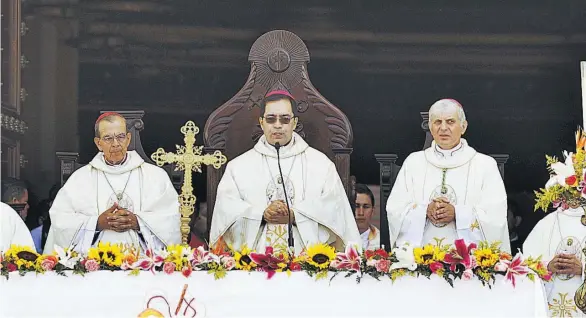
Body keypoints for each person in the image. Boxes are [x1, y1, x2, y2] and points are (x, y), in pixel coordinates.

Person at [209, 90, 360, 255]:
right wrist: (261, 214)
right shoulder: (237, 167)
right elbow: (225, 213)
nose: (278, 125)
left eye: (285, 119)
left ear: (294, 123)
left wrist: (295, 216)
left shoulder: (321, 165)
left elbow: (335, 211)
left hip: (307, 267)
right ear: (261, 122)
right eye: (271, 119)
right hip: (252, 268)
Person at [44, 112, 181, 254]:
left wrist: (139, 222)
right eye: (108, 138)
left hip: (143, 266)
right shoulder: (80, 179)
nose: (115, 144)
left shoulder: (155, 176)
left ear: (128, 139)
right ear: (98, 143)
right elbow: (61, 221)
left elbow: (172, 219)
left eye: (120, 137)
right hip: (93, 267)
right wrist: (97, 223)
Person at [385, 98, 510, 252]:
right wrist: (425, 210)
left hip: (471, 268)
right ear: (430, 127)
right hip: (420, 264)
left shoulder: (484, 165)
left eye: (450, 122)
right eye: (437, 122)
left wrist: (458, 213)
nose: (443, 128)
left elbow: (495, 216)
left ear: (463, 126)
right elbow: (395, 210)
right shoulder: (413, 163)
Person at [354, 184, 380, 250]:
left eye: (366, 207)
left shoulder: (381, 240)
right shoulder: (338, 239)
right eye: (356, 206)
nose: (361, 213)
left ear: (373, 211)